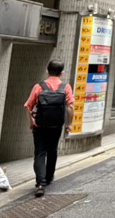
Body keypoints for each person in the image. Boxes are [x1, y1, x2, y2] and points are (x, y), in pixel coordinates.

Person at [24, 60, 74, 197]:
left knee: (40, 153)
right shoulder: (66, 87)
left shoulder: (39, 87)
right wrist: (68, 125)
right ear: (62, 73)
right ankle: (49, 176)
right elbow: (70, 107)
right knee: (52, 150)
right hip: (56, 126)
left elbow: (27, 106)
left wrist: (31, 121)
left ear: (47, 70)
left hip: (40, 126)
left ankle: (41, 183)